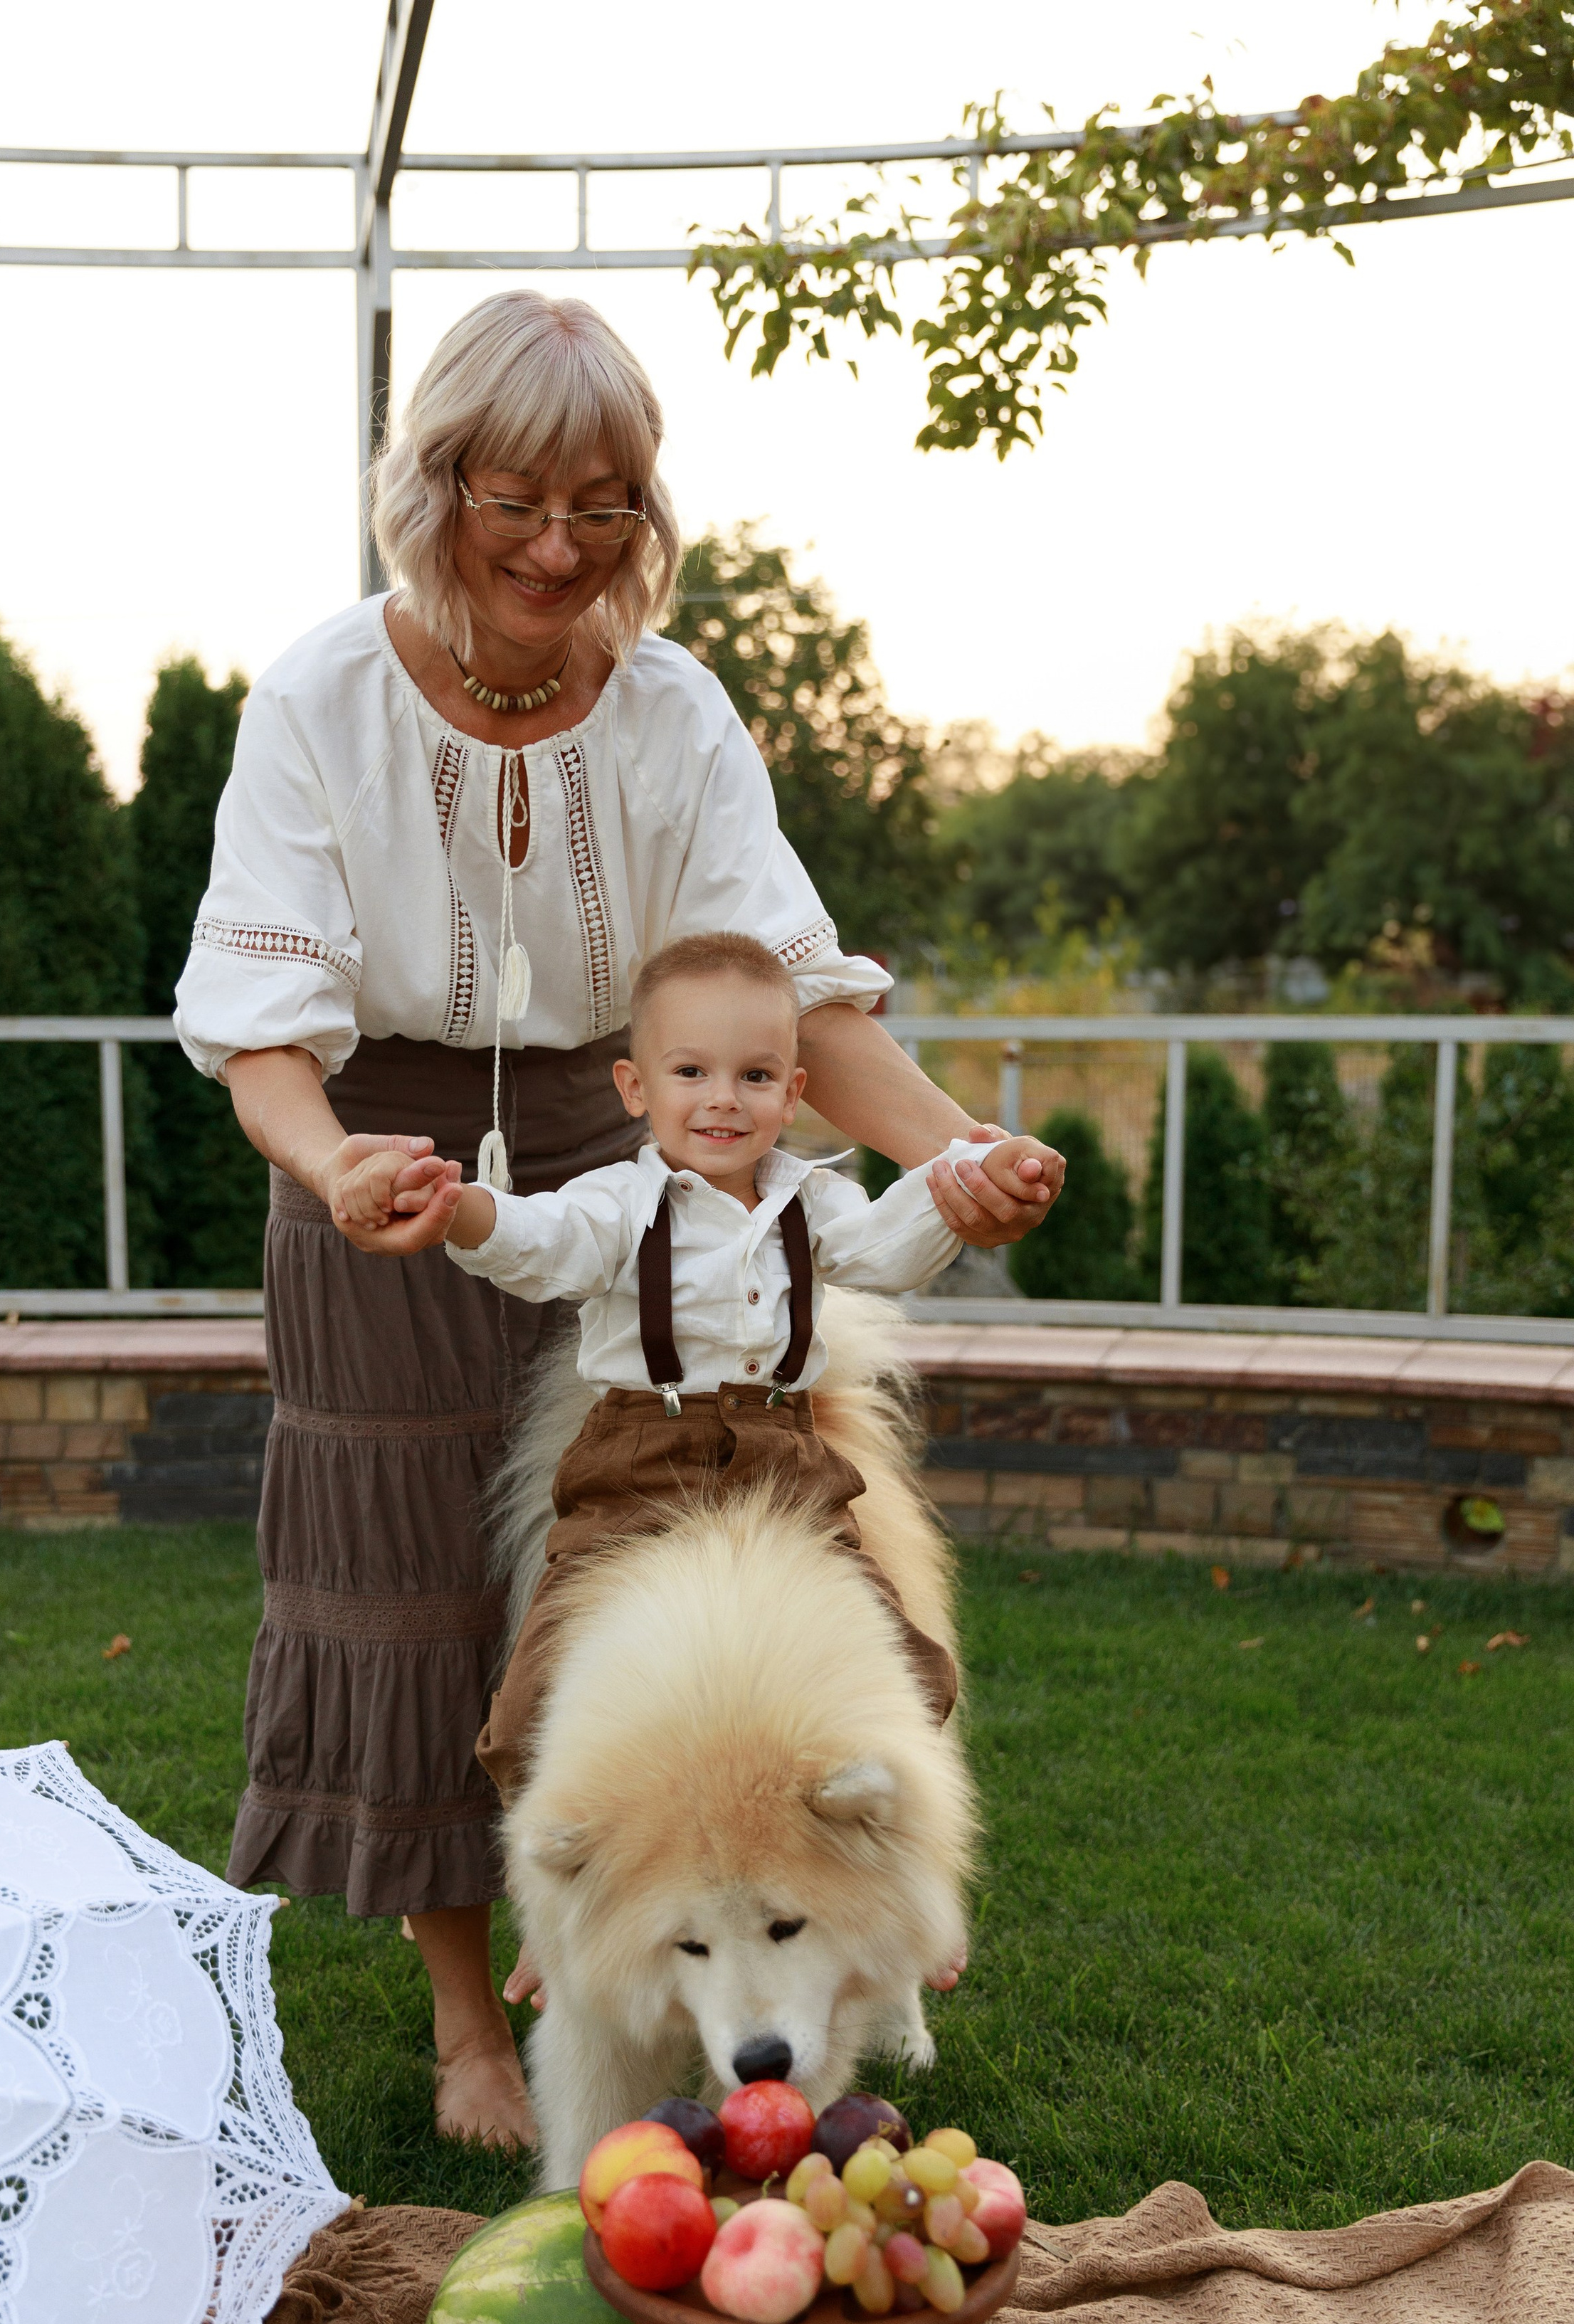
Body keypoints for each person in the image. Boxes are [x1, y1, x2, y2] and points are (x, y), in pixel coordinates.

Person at [174, 289, 1062, 2153]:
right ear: (435, 488)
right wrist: (334, 1167)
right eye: (516, 502)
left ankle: (689, 1921)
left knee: (668, 1539)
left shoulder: (673, 710)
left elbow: (788, 997)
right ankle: (467, 2020)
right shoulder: (321, 694)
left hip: (637, 1137)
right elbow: (259, 1029)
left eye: (599, 506)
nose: (556, 547)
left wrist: (953, 1154)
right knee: (418, 1589)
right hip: (379, 1158)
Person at [342, 929, 1064, 1800]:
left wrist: (977, 1171)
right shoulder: (616, 1204)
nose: (723, 1099)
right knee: (544, 1674)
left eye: (754, 1076)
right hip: (638, 1461)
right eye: (691, 1072)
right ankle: (562, 1828)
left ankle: (870, 1808)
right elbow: (539, 1241)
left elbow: (888, 1244)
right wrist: (455, 1205)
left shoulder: (812, 1201)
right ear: (634, 1088)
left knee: (905, 1655)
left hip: (788, 1459)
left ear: (792, 1094)